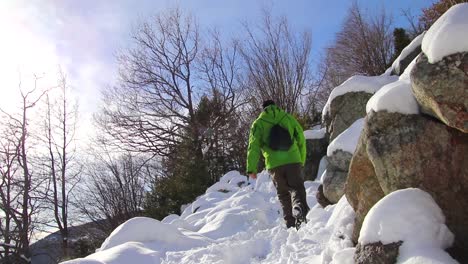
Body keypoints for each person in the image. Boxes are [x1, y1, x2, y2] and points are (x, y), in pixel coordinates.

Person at [246, 100, 309, 228]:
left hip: (274, 164)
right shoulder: (288, 118)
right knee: (297, 188)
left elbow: (253, 147)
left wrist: (251, 168)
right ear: (275, 106)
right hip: (293, 159)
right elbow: (300, 137)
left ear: (263, 109)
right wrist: (301, 158)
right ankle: (299, 208)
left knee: (283, 193)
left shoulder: (258, 123)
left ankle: (290, 223)